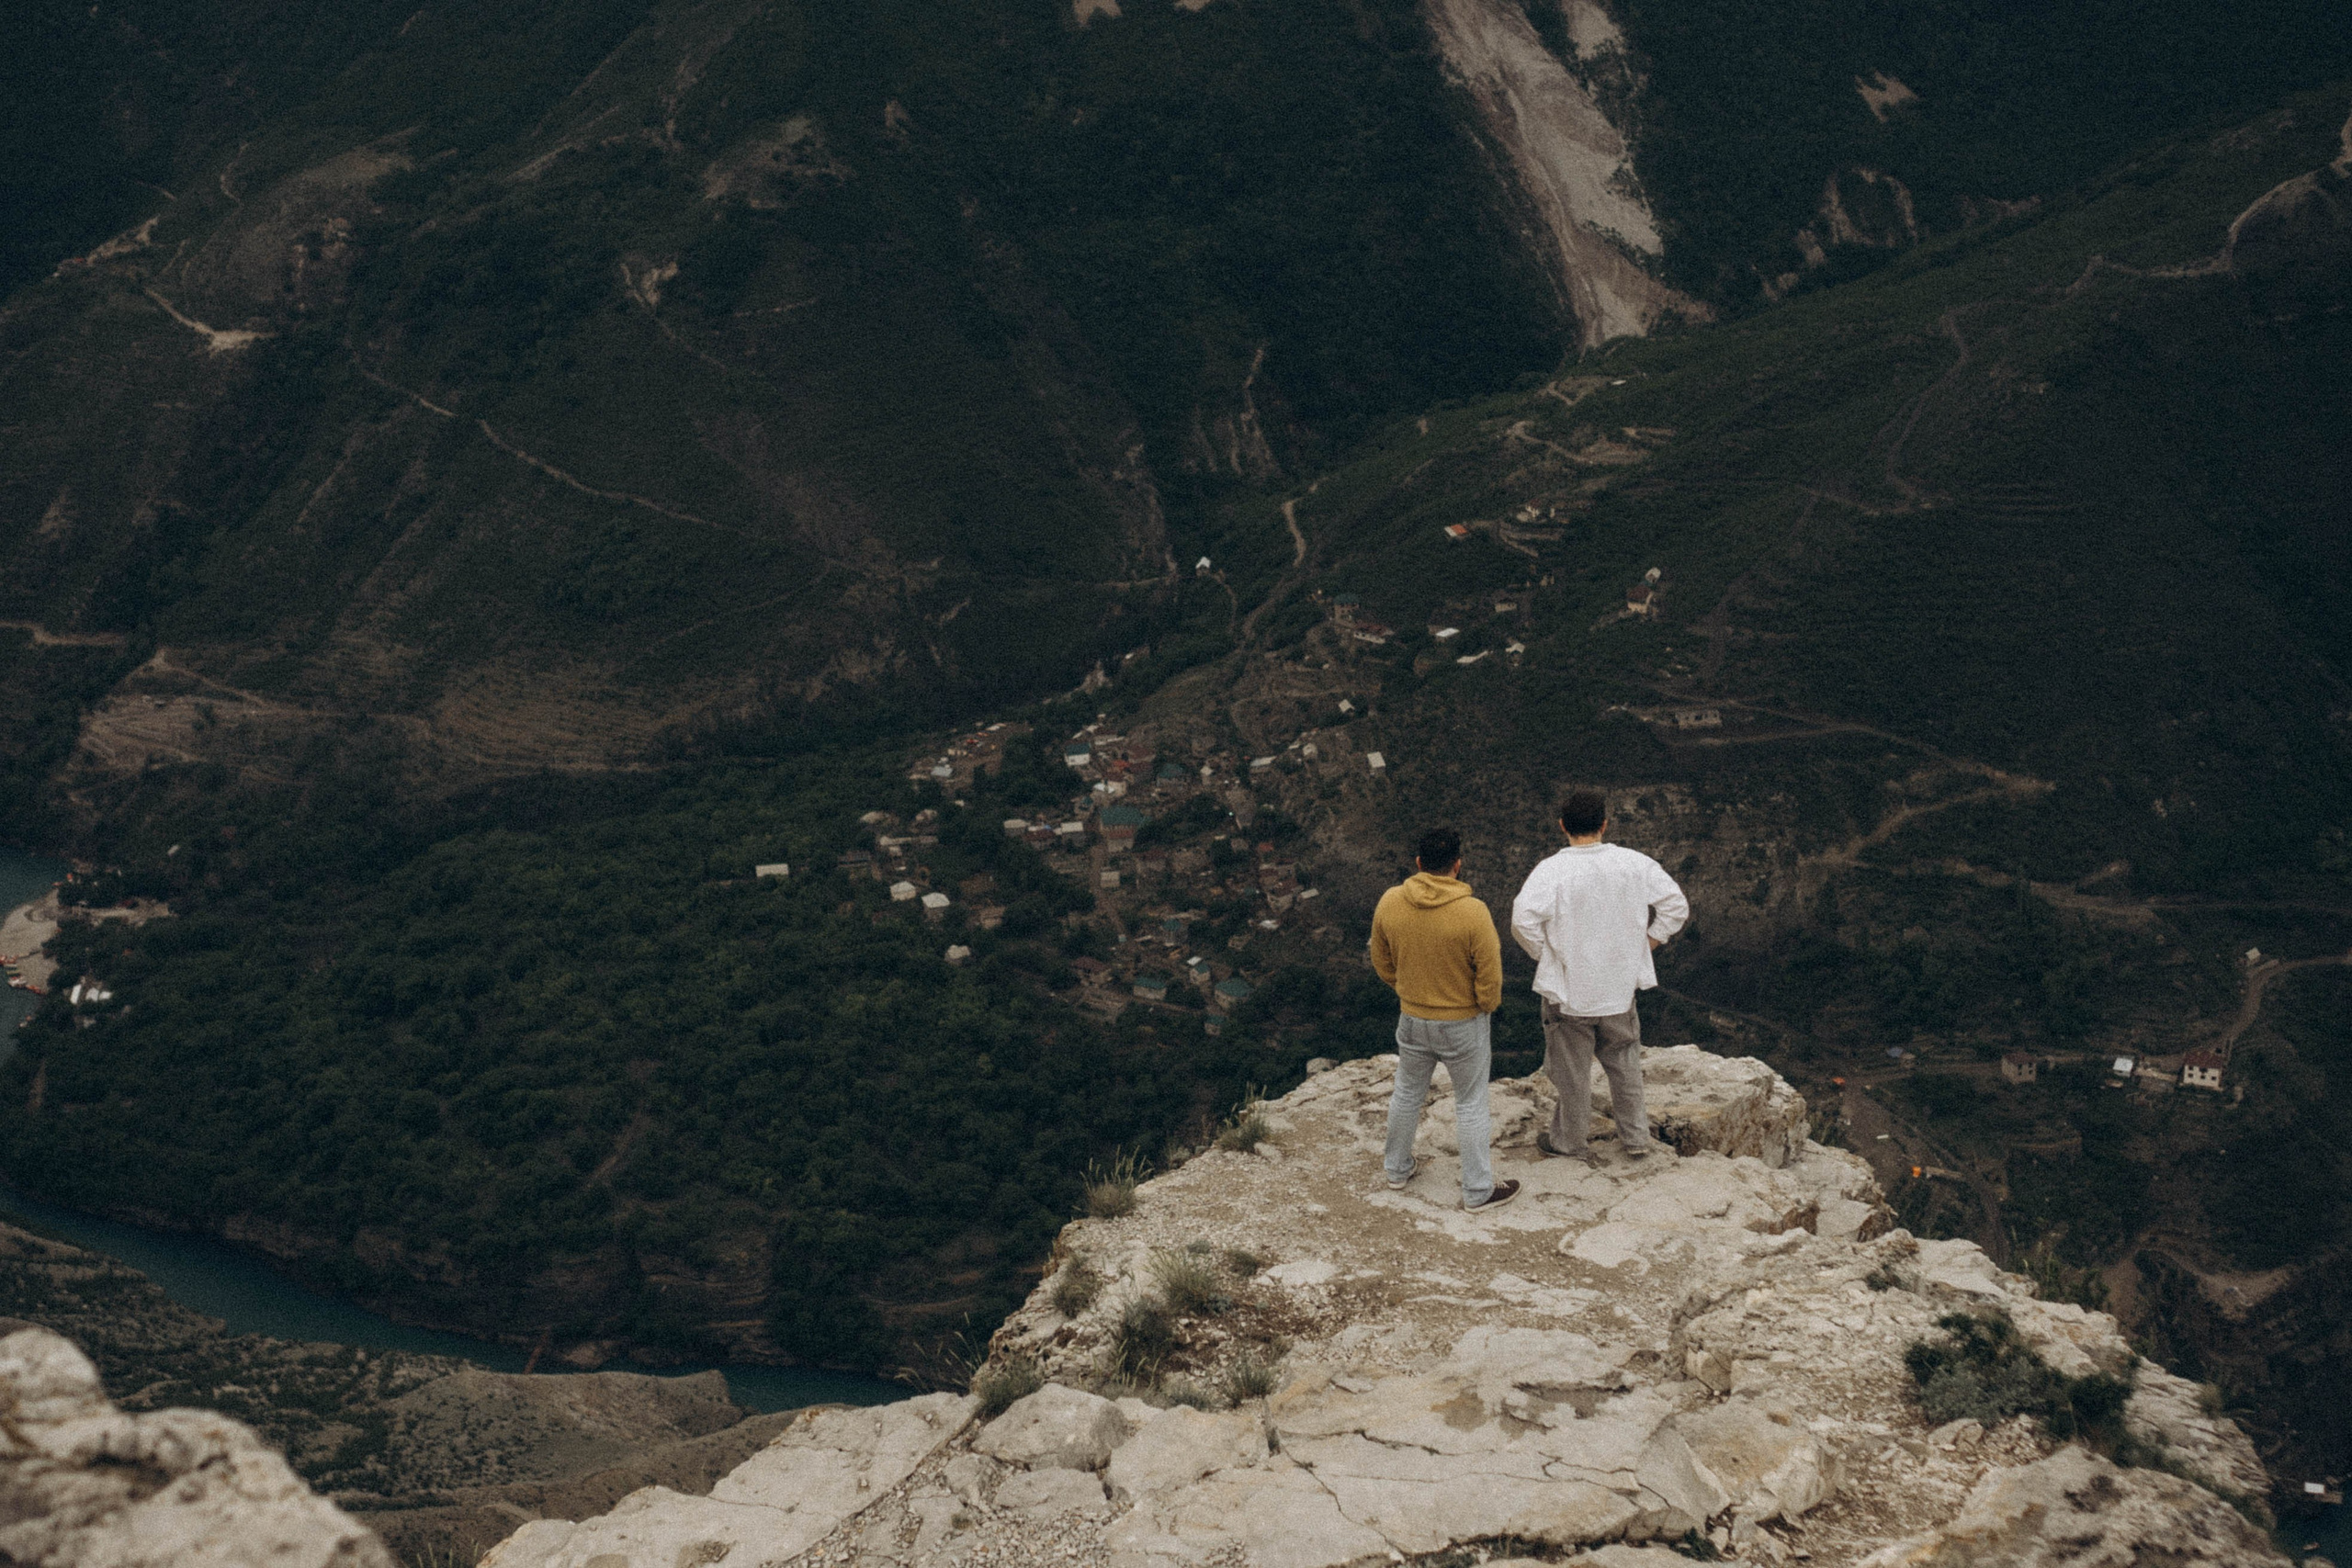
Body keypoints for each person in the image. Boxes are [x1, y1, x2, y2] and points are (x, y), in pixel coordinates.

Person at [1510, 788, 1689, 1164]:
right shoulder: (1634, 863)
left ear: (1563, 826)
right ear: (1604, 825)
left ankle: (1570, 1142)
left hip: (1568, 992)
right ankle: (1636, 1139)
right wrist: (1647, 944)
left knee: (1572, 1074)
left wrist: (1549, 958)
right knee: (1625, 1065)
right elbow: (1676, 905)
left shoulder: (1551, 870)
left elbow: (1522, 921)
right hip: (1619, 988)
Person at [1368, 827, 1521, 1212]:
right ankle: (1477, 1191)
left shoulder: (1390, 901)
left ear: (1419, 863)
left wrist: (1406, 989)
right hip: (1462, 1022)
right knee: (1470, 1103)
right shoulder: (1473, 911)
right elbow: (1490, 973)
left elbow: (1380, 958)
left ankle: (1397, 1169)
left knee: (1407, 1093)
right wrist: (1484, 1005)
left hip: (1412, 1016)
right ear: (1457, 865)